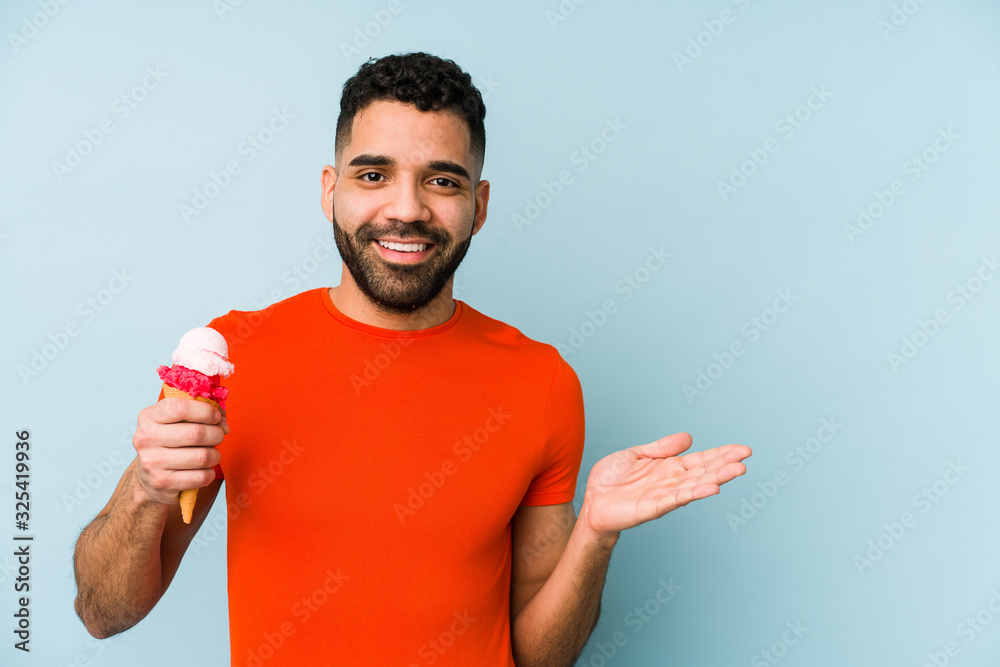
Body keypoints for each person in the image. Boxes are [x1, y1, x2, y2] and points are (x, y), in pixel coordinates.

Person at [72, 52, 752, 666]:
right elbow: (103, 613)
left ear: (478, 206)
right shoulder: (236, 357)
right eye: (374, 174)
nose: (407, 209)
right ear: (329, 190)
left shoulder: (542, 382)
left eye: (443, 182)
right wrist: (144, 490)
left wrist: (595, 536)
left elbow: (542, 657)